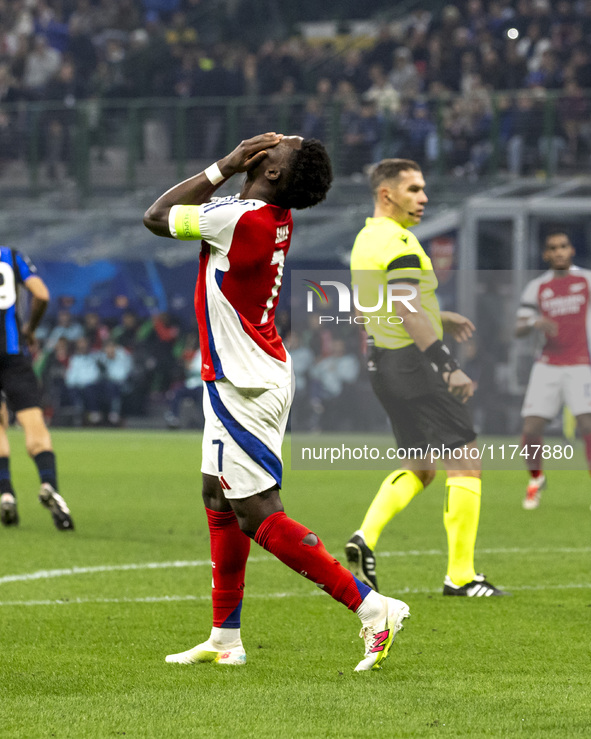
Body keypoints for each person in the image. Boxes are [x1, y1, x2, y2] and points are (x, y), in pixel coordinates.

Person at [143, 132, 410, 671]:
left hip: (247, 383)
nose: (273, 141)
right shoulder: (264, 213)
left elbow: (156, 215)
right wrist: (238, 168)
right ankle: (225, 638)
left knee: (257, 512)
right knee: (217, 497)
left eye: (280, 146)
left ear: (269, 173)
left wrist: (224, 163)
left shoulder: (241, 217)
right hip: (237, 376)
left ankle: (372, 607)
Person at [344, 158, 505, 597]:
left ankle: (365, 536)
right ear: (387, 194)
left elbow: (368, 308)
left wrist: (440, 315)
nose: (423, 197)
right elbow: (407, 309)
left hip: (383, 364)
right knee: (466, 461)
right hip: (415, 364)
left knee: (420, 466)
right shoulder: (400, 242)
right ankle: (462, 576)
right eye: (414, 189)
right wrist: (447, 364)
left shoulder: (365, 240)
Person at [515, 231, 591, 509]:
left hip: (582, 363)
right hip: (547, 364)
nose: (558, 252)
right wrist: (534, 323)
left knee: (588, 424)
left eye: (563, 246)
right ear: (546, 255)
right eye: (552, 248)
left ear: (571, 250)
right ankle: (536, 479)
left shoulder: (586, 280)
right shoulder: (537, 288)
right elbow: (518, 328)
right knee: (531, 428)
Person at [0, 247, 74, 531]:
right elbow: (41, 294)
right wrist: (30, 328)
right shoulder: (10, 255)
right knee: (34, 426)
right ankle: (48, 485)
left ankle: (6, 493)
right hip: (13, 355)